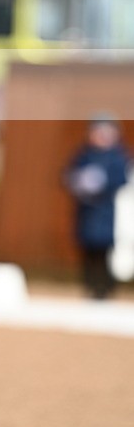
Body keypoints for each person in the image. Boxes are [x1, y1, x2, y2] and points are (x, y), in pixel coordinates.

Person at [64, 115, 130, 299]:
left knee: (106, 254)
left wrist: (104, 182)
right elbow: (66, 175)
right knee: (88, 253)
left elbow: (122, 180)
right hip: (87, 214)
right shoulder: (85, 154)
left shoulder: (118, 156)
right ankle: (90, 288)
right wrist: (77, 180)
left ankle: (105, 290)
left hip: (110, 215)